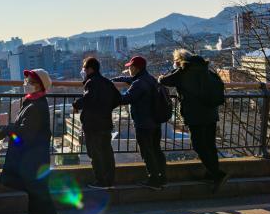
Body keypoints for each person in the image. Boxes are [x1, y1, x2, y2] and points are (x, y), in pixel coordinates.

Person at [0, 68, 62, 214]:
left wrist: (8, 132)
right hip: (32, 157)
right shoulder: (32, 102)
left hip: (34, 158)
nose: (27, 84)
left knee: (40, 192)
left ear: (40, 86)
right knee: (35, 191)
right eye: (27, 81)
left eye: (31, 82)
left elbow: (25, 133)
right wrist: (8, 131)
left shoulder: (36, 106)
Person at [159, 49, 229, 193]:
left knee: (198, 145)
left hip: (195, 115)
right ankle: (211, 173)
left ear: (179, 61)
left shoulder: (183, 72)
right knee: (210, 145)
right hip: (211, 113)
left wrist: (163, 76)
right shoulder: (206, 71)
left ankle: (217, 174)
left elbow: (164, 81)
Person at [112, 56, 167, 190]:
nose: (129, 69)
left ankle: (154, 180)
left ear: (136, 68)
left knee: (147, 151)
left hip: (144, 123)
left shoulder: (138, 84)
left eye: (130, 67)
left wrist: (111, 91)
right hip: (155, 121)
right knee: (156, 150)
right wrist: (116, 80)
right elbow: (131, 80)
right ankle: (162, 177)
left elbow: (125, 99)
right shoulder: (149, 79)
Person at [72, 57, 121, 189]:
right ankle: (109, 180)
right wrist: (107, 107)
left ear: (90, 69)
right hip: (105, 122)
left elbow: (87, 98)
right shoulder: (106, 82)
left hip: (93, 124)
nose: (83, 71)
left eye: (84, 68)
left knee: (95, 154)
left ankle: (101, 181)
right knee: (106, 152)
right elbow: (118, 98)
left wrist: (76, 104)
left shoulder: (91, 82)